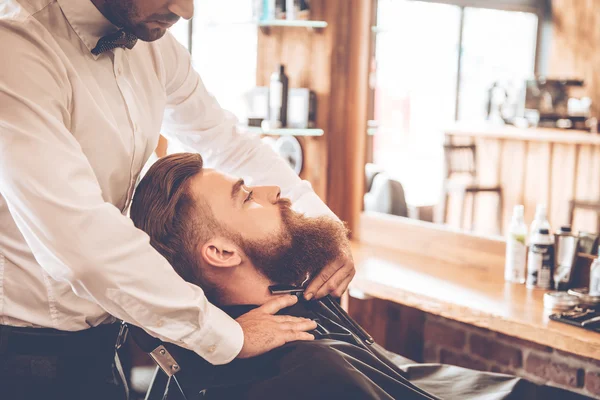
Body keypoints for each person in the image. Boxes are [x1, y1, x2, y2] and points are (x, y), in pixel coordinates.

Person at [0, 1, 354, 398]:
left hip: (104, 348)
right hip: (20, 363)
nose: (184, 11)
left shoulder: (153, 42)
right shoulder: (14, 46)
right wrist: (224, 336)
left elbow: (228, 144)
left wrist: (321, 231)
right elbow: (78, 241)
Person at [129, 152, 592, 400]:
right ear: (221, 251)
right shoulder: (303, 369)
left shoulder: (300, 308)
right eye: (247, 196)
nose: (274, 191)